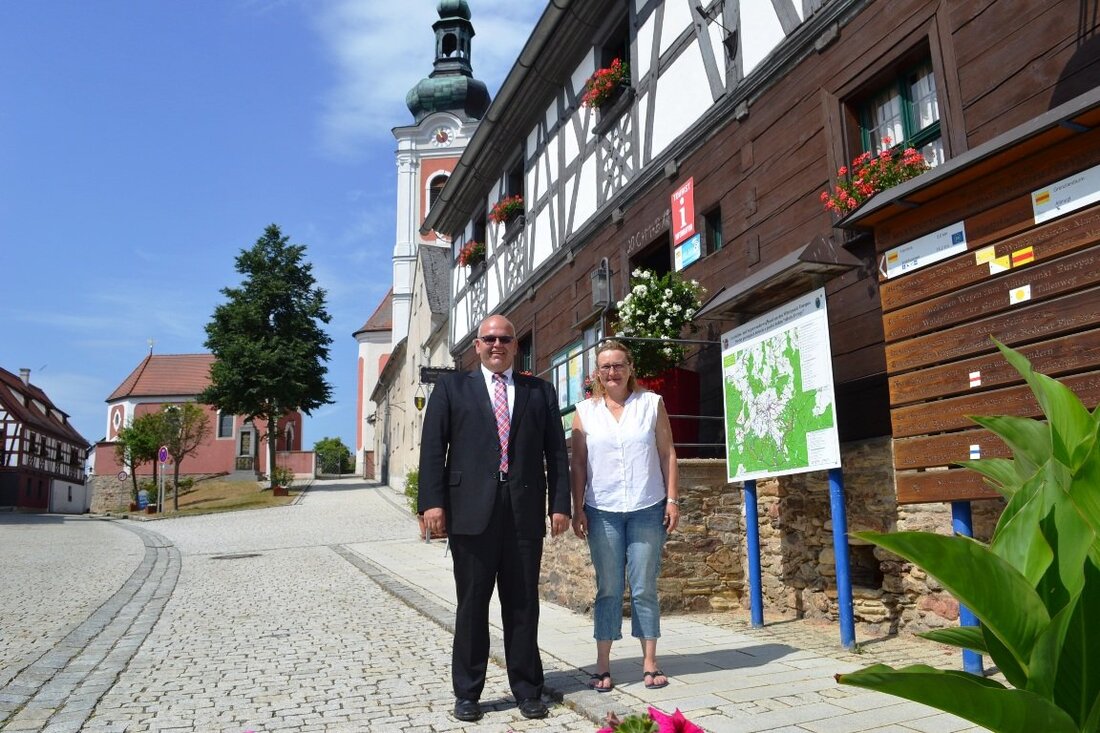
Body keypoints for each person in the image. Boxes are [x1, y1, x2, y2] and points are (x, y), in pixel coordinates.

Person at [418, 314, 571, 722]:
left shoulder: (539, 391)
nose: (497, 345)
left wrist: (560, 504)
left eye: (505, 338)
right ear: (477, 346)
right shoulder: (452, 388)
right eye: (489, 338)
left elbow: (555, 452)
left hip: (522, 512)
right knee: (471, 606)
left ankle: (527, 689)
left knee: (522, 606)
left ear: (515, 345)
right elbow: (433, 449)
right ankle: (468, 693)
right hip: (470, 512)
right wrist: (431, 504)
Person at [570, 339, 679, 693]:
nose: (612, 372)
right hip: (602, 512)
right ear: (597, 373)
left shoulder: (651, 404)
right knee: (609, 589)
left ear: (630, 368)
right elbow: (579, 464)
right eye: (605, 366)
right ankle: (603, 665)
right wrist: (577, 508)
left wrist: (673, 499)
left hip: (647, 507)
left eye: (618, 365)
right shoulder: (584, 412)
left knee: (645, 586)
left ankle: (650, 662)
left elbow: (667, 453)